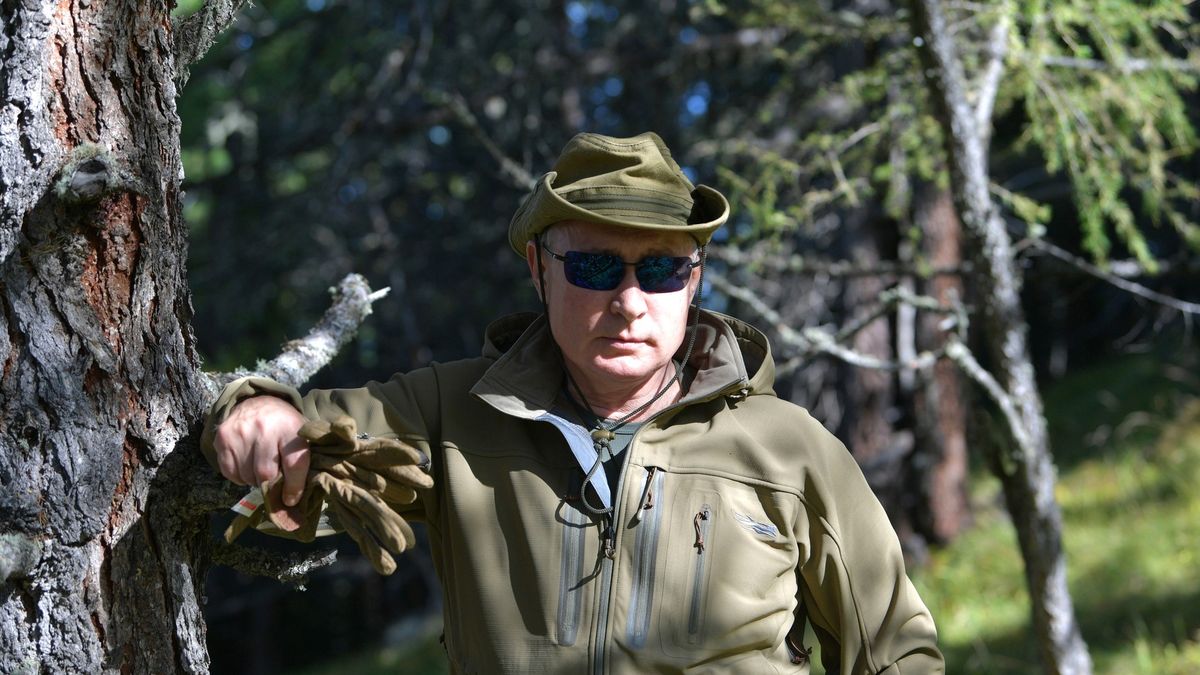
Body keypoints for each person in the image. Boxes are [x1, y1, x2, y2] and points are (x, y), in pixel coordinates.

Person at [202, 132, 944, 674]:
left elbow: (897, 649)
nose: (628, 302)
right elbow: (309, 443)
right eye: (594, 266)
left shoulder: (789, 447)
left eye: (659, 269)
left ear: (694, 278)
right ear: (539, 268)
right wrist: (260, 408)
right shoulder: (451, 413)